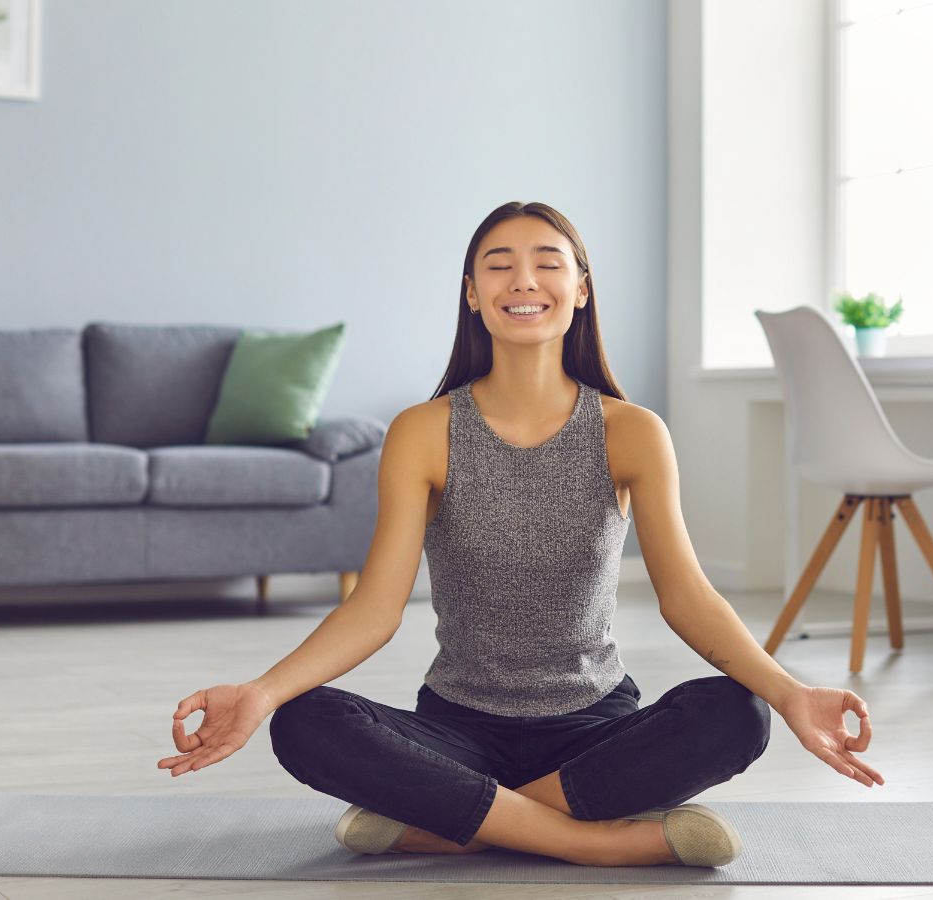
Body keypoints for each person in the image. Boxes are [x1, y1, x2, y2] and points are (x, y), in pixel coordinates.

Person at [157, 201, 885, 868]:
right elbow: (375, 610)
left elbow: (687, 595)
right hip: (456, 731)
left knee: (736, 712)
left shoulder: (633, 433)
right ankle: (595, 844)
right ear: (472, 294)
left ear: (581, 289)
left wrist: (790, 693)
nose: (523, 280)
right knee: (304, 721)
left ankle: (442, 825)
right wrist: (259, 691)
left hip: (592, 731)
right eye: (498, 265)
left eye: (547, 262)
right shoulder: (424, 431)